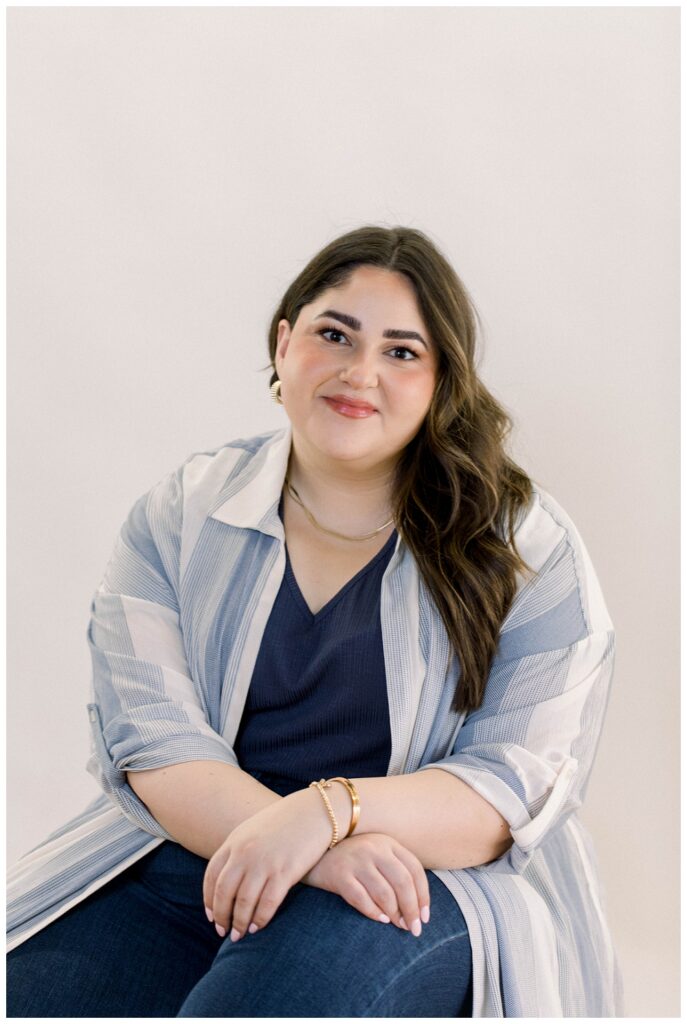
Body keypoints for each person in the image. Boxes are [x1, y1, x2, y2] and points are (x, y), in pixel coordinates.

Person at [6, 225, 623, 1017]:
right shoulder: (181, 514)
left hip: (417, 880)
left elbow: (507, 788)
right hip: (198, 847)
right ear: (284, 342)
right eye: (334, 334)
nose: (359, 371)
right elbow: (153, 736)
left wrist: (326, 815)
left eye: (402, 352)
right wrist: (300, 845)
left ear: (441, 382)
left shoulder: (524, 547)